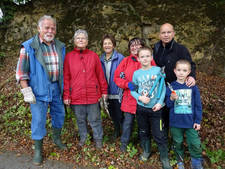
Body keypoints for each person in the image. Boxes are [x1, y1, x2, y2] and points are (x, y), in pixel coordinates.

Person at [16, 15, 67, 165]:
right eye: (47, 28)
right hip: (37, 90)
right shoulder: (28, 46)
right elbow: (21, 72)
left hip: (56, 87)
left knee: (59, 114)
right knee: (38, 120)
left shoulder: (60, 46)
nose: (50, 31)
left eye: (53, 28)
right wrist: (27, 91)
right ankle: (38, 151)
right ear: (39, 29)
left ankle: (56, 139)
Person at [63, 29, 107, 149]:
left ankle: (98, 139)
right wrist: (66, 95)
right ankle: (84, 137)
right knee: (80, 120)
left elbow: (100, 75)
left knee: (95, 119)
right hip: (76, 95)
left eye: (83, 38)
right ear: (74, 41)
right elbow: (66, 77)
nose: (81, 40)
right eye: (78, 38)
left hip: (93, 94)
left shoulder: (93, 56)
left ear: (87, 41)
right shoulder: (68, 57)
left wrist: (104, 92)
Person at [131, 46, 172, 169]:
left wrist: (160, 103)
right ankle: (147, 151)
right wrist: (140, 98)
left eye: (147, 56)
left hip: (156, 109)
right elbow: (133, 91)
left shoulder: (158, 70)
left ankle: (164, 157)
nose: (145, 58)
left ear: (151, 57)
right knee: (144, 131)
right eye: (142, 56)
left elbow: (163, 88)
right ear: (138, 59)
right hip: (142, 109)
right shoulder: (136, 74)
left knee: (159, 134)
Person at [153, 23, 196, 138]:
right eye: (163, 33)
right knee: (162, 112)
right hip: (159, 87)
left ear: (173, 34)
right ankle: (163, 137)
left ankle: (176, 139)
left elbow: (190, 65)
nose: (166, 35)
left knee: (173, 110)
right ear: (159, 35)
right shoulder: (156, 48)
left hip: (175, 87)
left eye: (168, 32)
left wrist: (192, 77)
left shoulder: (181, 49)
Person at [114, 37, 156, 152]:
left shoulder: (149, 60)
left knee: (144, 122)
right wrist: (126, 84)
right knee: (128, 122)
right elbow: (116, 77)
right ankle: (124, 142)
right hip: (130, 97)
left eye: (137, 45)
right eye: (132, 45)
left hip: (145, 98)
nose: (134, 47)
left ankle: (142, 141)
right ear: (129, 49)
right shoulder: (126, 61)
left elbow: (156, 77)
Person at [165, 60, 203, 169]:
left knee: (195, 143)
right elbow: (167, 105)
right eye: (179, 70)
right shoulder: (171, 87)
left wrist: (197, 121)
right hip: (175, 122)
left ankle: (196, 161)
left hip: (190, 122)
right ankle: (180, 160)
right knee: (178, 142)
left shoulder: (192, 87)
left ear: (189, 72)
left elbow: (198, 105)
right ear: (174, 71)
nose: (181, 73)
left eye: (184, 70)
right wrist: (171, 99)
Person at [100, 35, 124, 140]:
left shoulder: (120, 58)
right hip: (107, 93)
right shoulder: (100, 60)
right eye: (105, 43)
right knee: (113, 115)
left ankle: (125, 134)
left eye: (109, 43)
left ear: (113, 45)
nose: (107, 45)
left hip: (117, 92)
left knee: (120, 115)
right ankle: (116, 131)